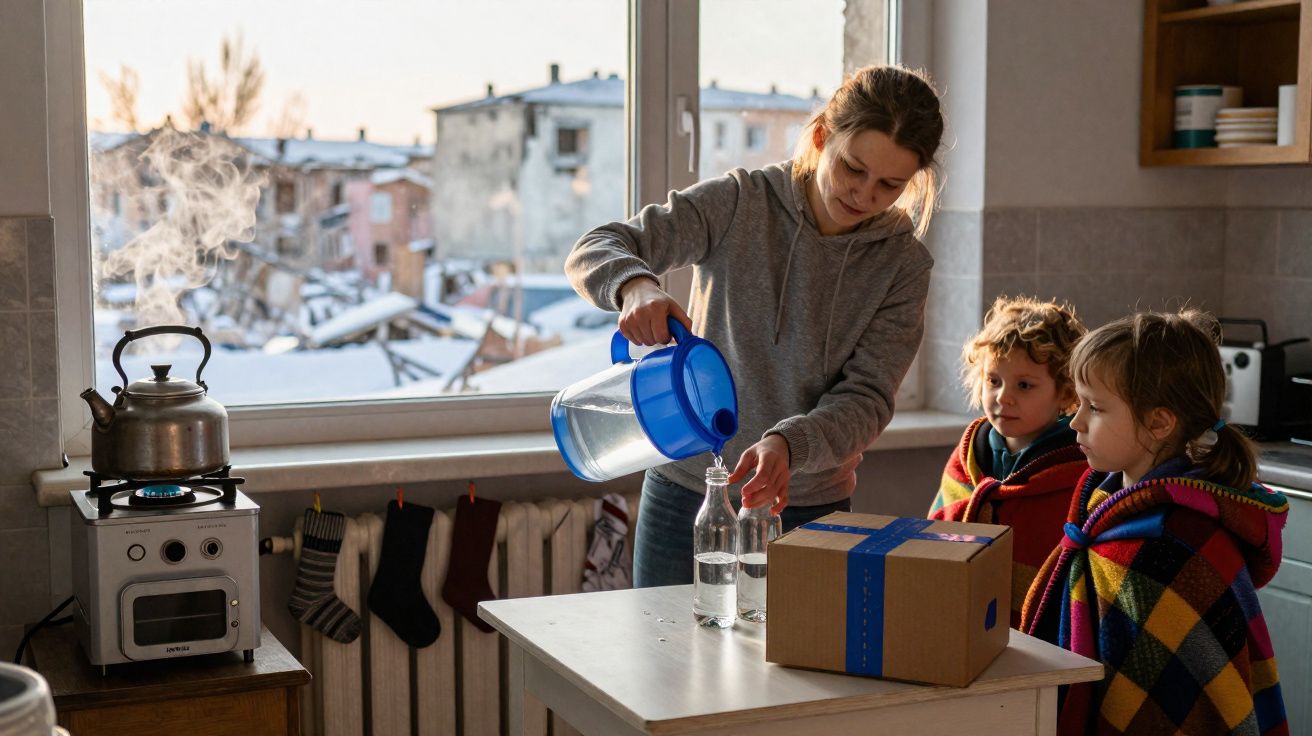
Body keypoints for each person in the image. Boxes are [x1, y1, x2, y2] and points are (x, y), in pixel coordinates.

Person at [565, 65, 945, 587]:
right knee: (661, 661)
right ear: (820, 137)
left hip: (810, 507)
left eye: (890, 185)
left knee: (792, 668)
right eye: (853, 168)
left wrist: (791, 445)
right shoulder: (740, 202)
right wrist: (636, 286)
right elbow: (596, 246)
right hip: (686, 487)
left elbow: (869, 398)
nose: (864, 194)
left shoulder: (903, 266)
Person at [1021, 311, 1289, 735]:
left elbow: (1196, 701)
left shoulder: (1178, 542)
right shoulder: (1100, 505)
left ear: (1159, 422)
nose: (1075, 421)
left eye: (1095, 407)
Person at [928, 295, 1088, 627]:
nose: (1003, 397)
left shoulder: (1079, 467)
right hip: (961, 623)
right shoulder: (969, 454)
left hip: (1039, 636)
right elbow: (934, 536)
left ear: (1065, 393)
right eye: (993, 381)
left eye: (1025, 385)